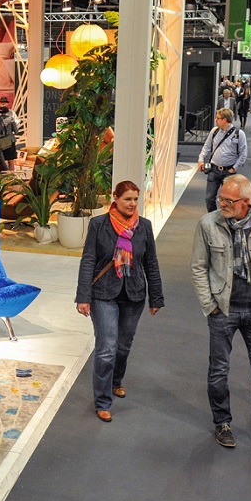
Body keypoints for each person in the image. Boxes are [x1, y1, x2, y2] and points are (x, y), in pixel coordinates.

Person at [190, 174, 251, 461]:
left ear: (247, 201)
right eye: (221, 198)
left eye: (228, 201)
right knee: (219, 370)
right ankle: (222, 423)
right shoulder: (207, 224)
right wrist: (210, 305)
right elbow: (198, 267)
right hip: (223, 310)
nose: (222, 204)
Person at [76, 181, 163, 423]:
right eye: (127, 199)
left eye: (135, 199)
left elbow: (151, 263)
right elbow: (88, 260)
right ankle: (103, 401)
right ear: (115, 198)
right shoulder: (99, 224)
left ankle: (115, 381)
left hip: (134, 295)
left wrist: (156, 297)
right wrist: (83, 296)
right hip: (103, 293)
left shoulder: (144, 226)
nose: (132, 204)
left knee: (123, 347)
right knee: (106, 349)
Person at [198, 108, 248, 213]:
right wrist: (201, 160)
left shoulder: (239, 134)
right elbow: (207, 147)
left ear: (224, 120)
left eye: (218, 118)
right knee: (209, 199)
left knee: (229, 199)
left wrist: (234, 168)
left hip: (229, 172)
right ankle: (213, 217)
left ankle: (227, 217)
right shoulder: (214, 131)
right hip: (214, 170)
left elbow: (243, 154)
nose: (216, 120)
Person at [0, 98, 19, 171]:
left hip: (0, 140)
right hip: (10, 140)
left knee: (0, 160)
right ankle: (11, 176)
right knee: (10, 160)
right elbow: (16, 131)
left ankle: (0, 175)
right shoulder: (11, 119)